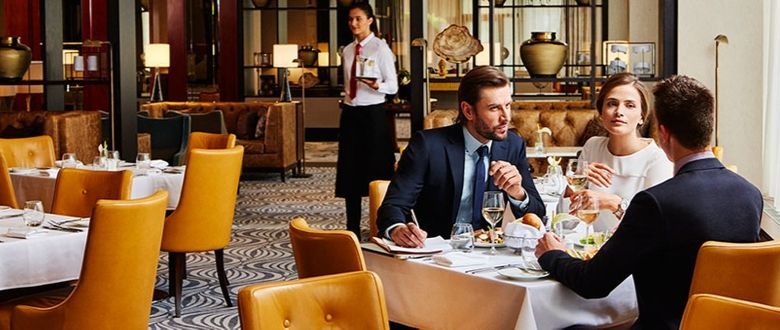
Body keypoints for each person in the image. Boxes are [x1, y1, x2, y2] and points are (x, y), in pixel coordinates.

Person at [536, 75, 763, 329]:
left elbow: (592, 284)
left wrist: (552, 255)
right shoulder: (751, 195)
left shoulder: (655, 202)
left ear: (662, 134)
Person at [377, 66, 545, 247]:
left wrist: (518, 193)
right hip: (434, 251)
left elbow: (538, 214)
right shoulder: (427, 146)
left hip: (486, 252)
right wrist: (398, 229)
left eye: (508, 105)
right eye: (494, 108)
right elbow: (392, 207)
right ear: (468, 111)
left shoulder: (513, 145)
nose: (506, 117)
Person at [569, 73, 673, 231]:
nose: (619, 111)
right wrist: (576, 182)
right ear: (601, 112)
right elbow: (568, 215)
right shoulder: (592, 146)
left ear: (642, 116)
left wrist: (614, 203)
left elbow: (657, 224)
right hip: (589, 242)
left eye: (630, 105)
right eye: (612, 104)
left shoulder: (658, 160)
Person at [335, 2, 398, 240]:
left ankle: (381, 226)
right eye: (350, 19)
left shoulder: (380, 48)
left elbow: (393, 85)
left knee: (376, 170)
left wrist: (376, 85)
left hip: (373, 115)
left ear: (370, 20)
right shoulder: (348, 50)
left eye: (358, 19)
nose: (353, 23)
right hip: (351, 114)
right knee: (350, 170)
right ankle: (351, 227)